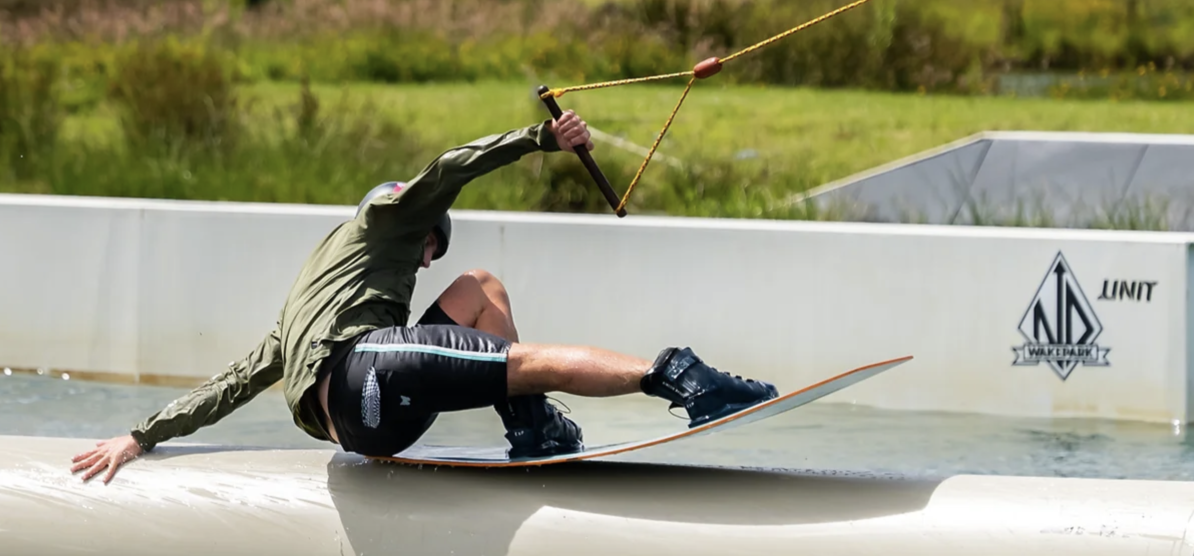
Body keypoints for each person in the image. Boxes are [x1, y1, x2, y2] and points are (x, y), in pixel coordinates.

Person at [70, 110, 778, 485]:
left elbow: (231, 383)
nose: (428, 263)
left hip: (362, 433)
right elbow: (447, 169)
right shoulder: (392, 217)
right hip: (366, 375)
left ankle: (530, 428)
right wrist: (541, 140)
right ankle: (679, 376)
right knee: (525, 360)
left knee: (481, 289)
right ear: (421, 232)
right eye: (430, 249)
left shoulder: (307, 297)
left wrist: (141, 435)